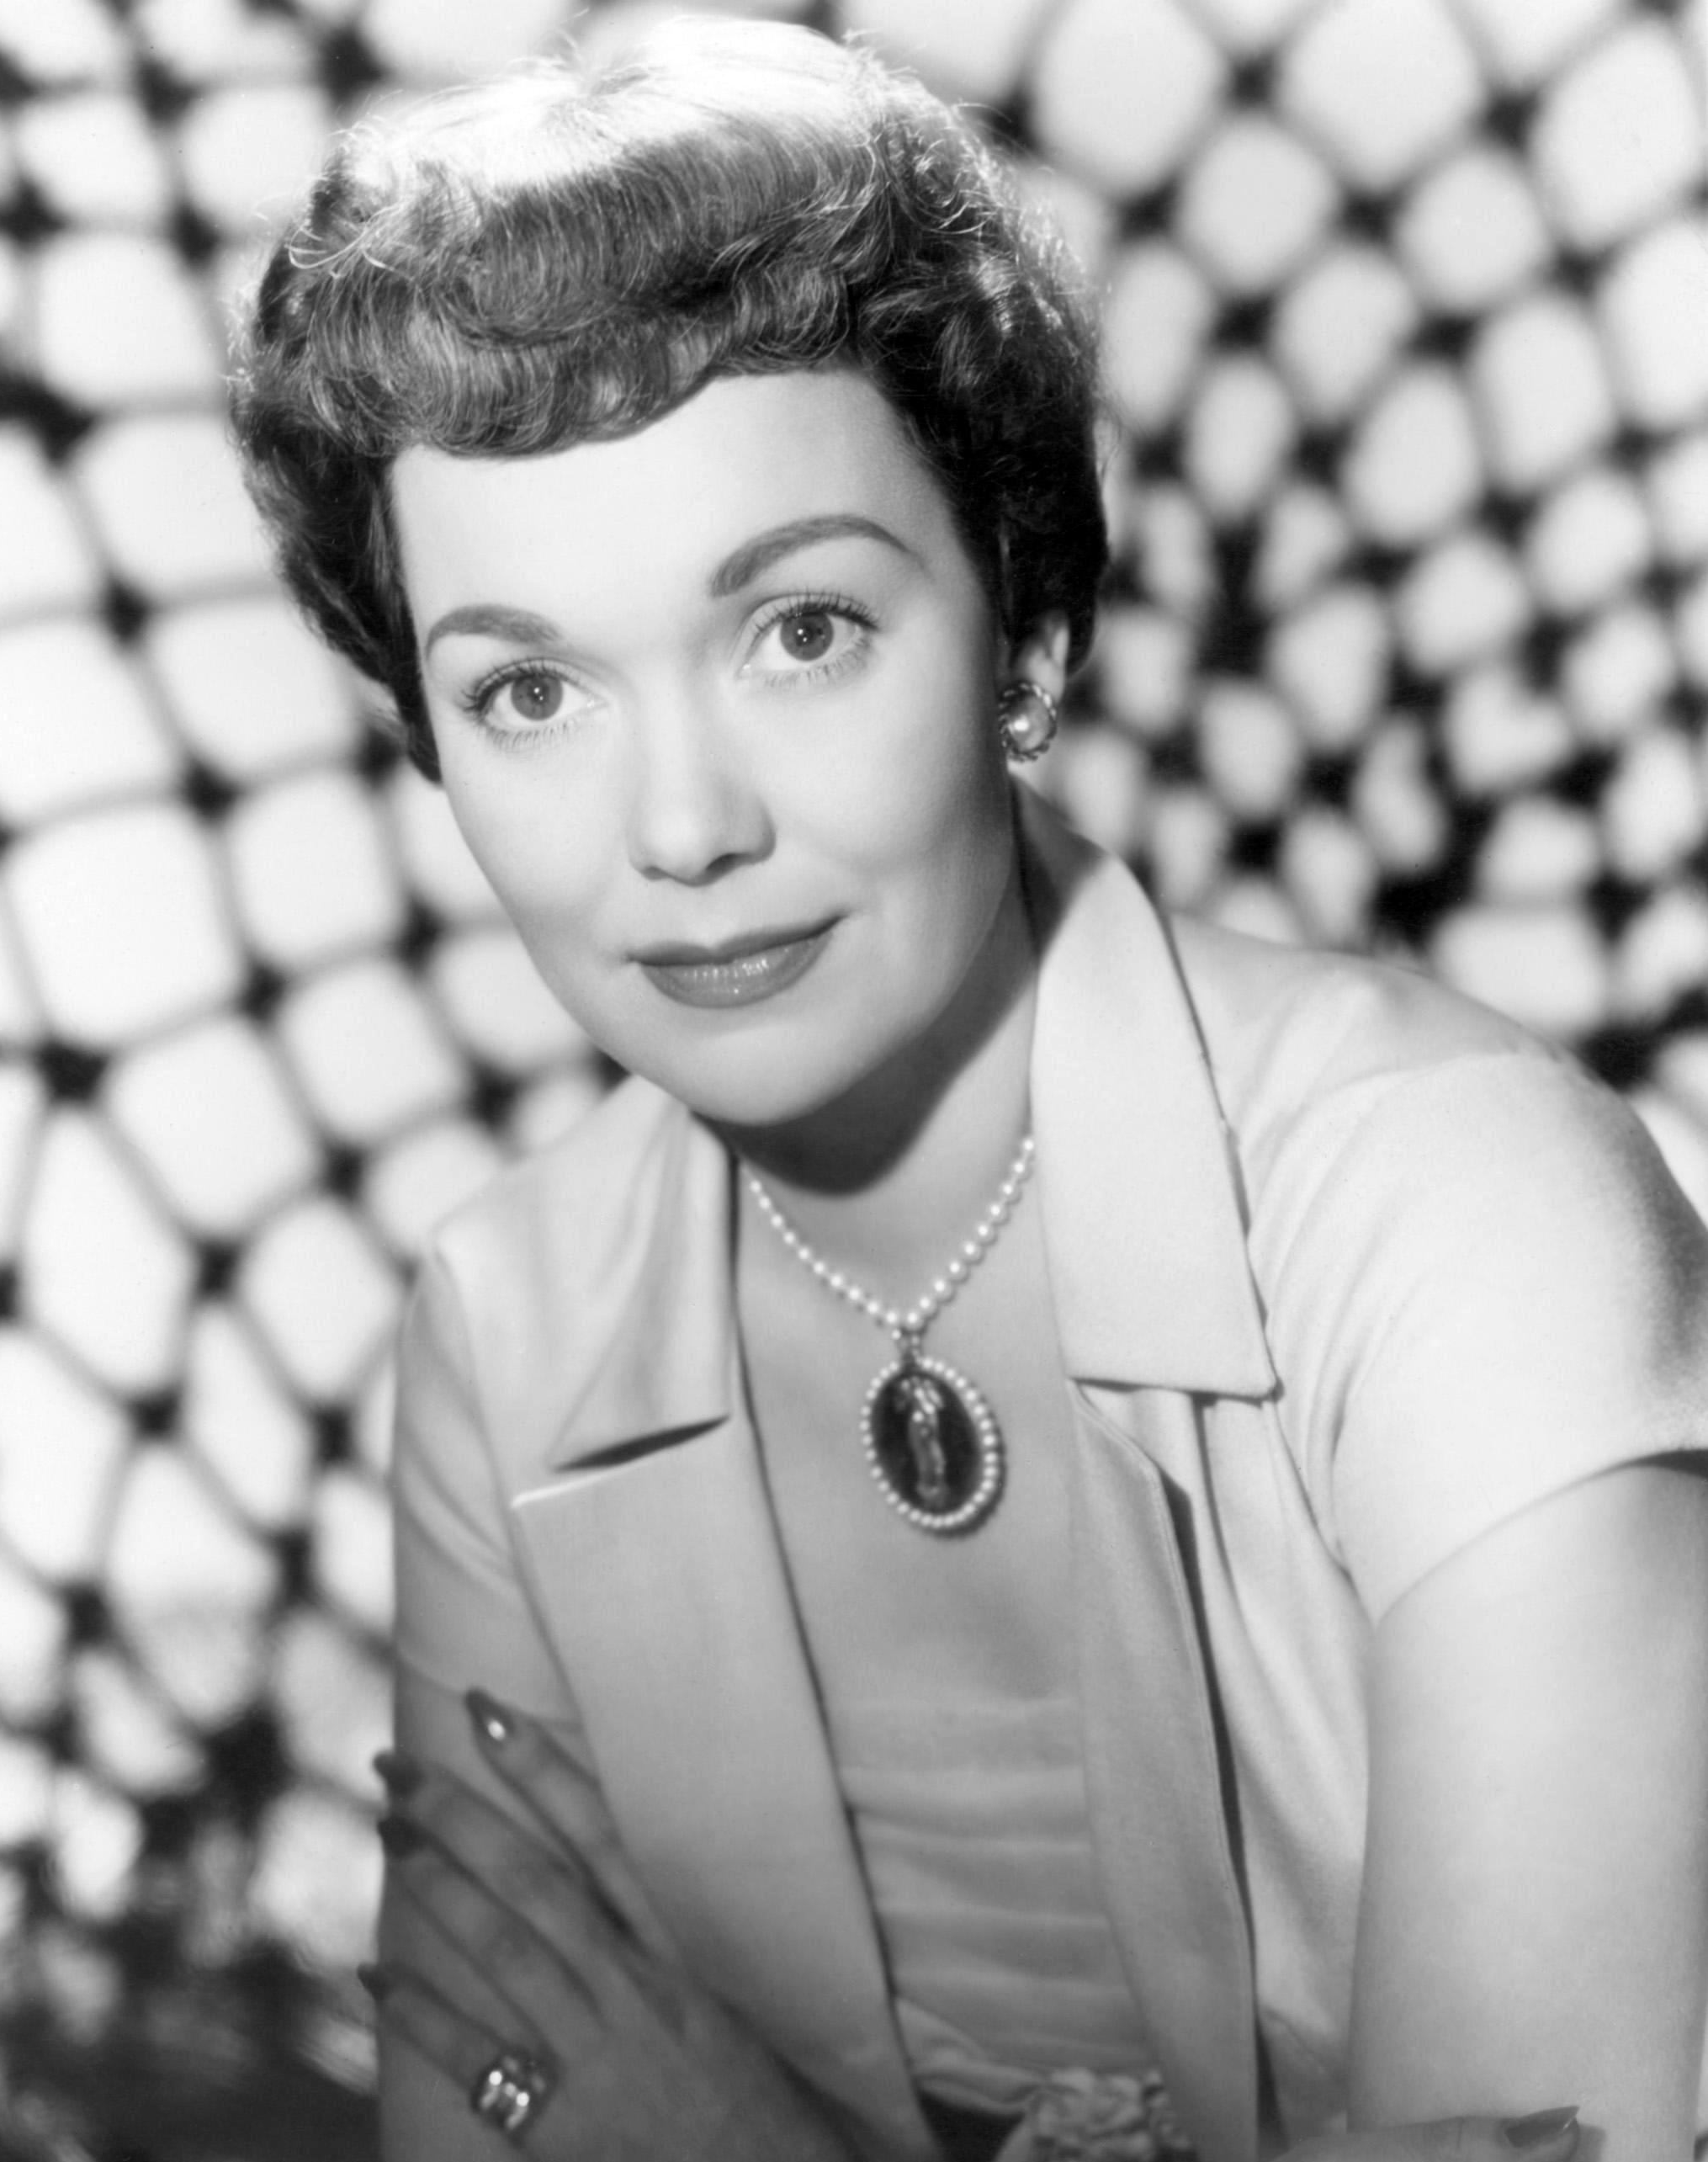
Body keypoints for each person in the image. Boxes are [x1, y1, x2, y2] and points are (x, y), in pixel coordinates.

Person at [229, 19, 1708, 2161]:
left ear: (1022, 636)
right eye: (529, 688)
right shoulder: (510, 1327)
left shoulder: (1462, 1206)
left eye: (800, 631)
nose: (683, 827)